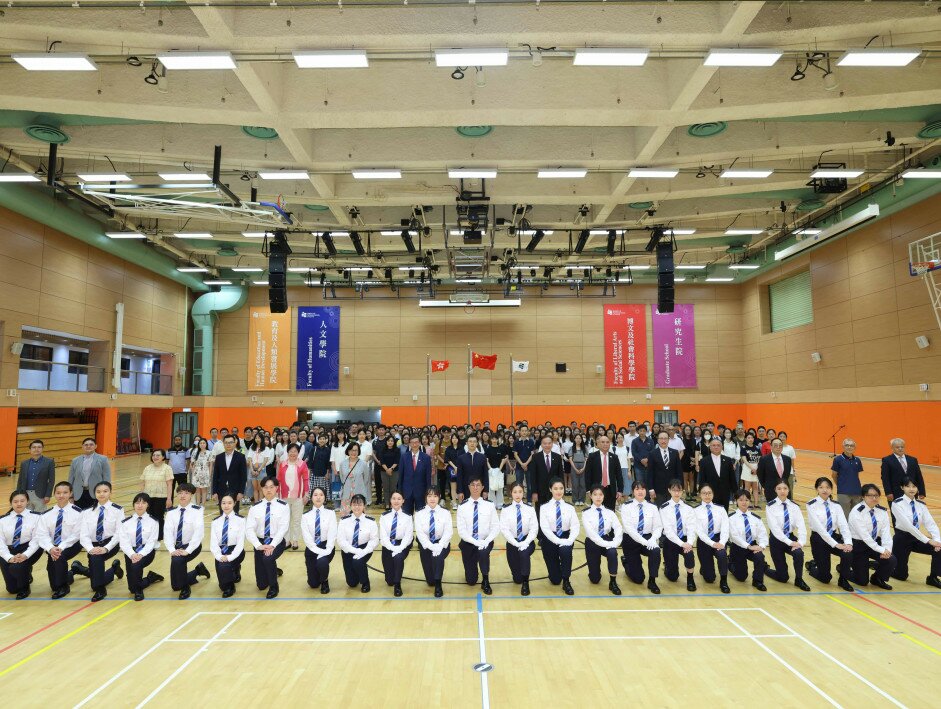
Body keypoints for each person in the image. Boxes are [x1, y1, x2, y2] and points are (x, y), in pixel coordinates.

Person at [72, 481, 124, 602]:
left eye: (105, 491)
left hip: (110, 544)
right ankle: (113, 569)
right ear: (94, 493)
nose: (102, 494)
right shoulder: (86, 512)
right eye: (98, 492)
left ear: (110, 493)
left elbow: (119, 533)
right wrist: (90, 549)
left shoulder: (118, 510)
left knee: (96, 564)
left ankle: (100, 589)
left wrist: (106, 548)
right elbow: (83, 534)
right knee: (95, 572)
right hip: (93, 546)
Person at [804, 477, 855, 592]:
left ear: (831, 490)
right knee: (825, 578)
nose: (824, 490)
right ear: (817, 489)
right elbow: (820, 529)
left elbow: (843, 525)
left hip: (833, 536)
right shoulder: (811, 505)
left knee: (847, 552)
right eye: (821, 487)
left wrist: (848, 543)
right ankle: (812, 566)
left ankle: (843, 580)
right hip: (819, 539)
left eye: (827, 487)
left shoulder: (836, 505)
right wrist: (835, 544)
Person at [35, 481, 84, 599]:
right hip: (52, 547)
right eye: (58, 493)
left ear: (70, 493)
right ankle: (75, 571)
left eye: (65, 492)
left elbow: (76, 535)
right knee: (54, 585)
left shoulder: (78, 512)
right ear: (54, 494)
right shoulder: (47, 514)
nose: (61, 495)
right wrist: (50, 548)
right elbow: (42, 534)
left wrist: (59, 548)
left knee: (59, 559)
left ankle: (64, 587)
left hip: (72, 545)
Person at [890, 477, 941, 588]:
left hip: (917, 538)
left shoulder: (921, 504)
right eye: (908, 486)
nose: (911, 489)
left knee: (939, 549)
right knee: (901, 575)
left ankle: (933, 577)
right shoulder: (897, 504)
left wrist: (937, 541)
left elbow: (931, 524)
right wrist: (928, 540)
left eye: (914, 486)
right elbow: (909, 527)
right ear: (902, 487)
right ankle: (880, 565)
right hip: (902, 539)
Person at [163, 483, 210, 600]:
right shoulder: (171, 512)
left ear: (191, 495)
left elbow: (199, 533)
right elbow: (167, 533)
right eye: (180, 493)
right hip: (176, 548)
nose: (182, 495)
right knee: (175, 586)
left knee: (178, 561)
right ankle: (198, 571)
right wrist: (172, 550)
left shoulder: (197, 511)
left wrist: (187, 550)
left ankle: (185, 588)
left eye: (186, 493)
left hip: (192, 546)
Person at [246, 477, 290, 599]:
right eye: (265, 487)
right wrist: (258, 545)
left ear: (277, 488)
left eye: (271, 487)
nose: (268, 490)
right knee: (261, 585)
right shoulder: (255, 507)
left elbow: (283, 528)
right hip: (260, 542)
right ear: (262, 489)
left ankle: (274, 587)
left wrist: (272, 545)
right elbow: (249, 529)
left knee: (268, 558)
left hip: (277, 541)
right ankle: (273, 569)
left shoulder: (284, 506)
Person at [848, 483, 897, 589]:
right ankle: (846, 570)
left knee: (891, 559)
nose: (874, 498)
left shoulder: (882, 511)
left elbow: (886, 533)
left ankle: (877, 578)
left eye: (876, 495)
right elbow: (865, 536)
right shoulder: (857, 512)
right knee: (862, 581)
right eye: (870, 495)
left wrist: (887, 550)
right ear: (863, 497)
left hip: (874, 542)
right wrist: (881, 550)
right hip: (859, 545)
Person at [764, 480, 811, 591]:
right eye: (779, 488)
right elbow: (775, 530)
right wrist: (790, 543)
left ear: (789, 490)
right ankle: (764, 568)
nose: (782, 491)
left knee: (798, 553)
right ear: (775, 490)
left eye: (785, 488)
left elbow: (801, 526)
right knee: (783, 577)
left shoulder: (794, 506)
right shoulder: (770, 506)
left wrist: (800, 542)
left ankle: (799, 579)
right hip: (777, 540)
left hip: (790, 537)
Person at [457, 477, 499, 595]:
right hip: (468, 543)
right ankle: (473, 567)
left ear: (482, 487)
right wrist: (476, 542)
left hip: (485, 541)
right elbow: (461, 531)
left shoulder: (489, 505)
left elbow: (495, 526)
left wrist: (486, 541)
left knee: (483, 553)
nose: (475, 488)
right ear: (469, 487)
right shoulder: (462, 506)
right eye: (473, 485)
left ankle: (485, 580)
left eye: (478, 485)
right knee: (471, 581)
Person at [118, 493, 164, 601]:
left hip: (146, 551)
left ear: (148, 505)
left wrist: (140, 554)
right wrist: (132, 554)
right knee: (131, 588)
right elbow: (124, 542)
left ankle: (139, 590)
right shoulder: (125, 522)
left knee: (136, 566)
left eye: (143, 503)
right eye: (137, 502)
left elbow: (151, 542)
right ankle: (151, 578)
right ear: (133, 505)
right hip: (130, 551)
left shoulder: (154, 522)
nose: (140, 505)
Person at [619, 481, 662, 594]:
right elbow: (629, 529)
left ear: (646, 491)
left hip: (647, 537)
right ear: (633, 491)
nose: (640, 491)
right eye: (637, 489)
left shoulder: (652, 507)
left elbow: (658, 526)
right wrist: (645, 542)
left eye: (643, 489)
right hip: (630, 540)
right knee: (638, 579)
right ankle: (626, 562)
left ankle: (652, 581)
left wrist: (653, 539)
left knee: (656, 551)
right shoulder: (626, 506)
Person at [539, 477, 579, 595]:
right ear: (550, 489)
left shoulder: (570, 507)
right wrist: (557, 540)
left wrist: (569, 540)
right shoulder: (544, 507)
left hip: (565, 537)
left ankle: (566, 581)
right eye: (555, 488)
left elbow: (575, 526)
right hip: (550, 540)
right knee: (555, 580)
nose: (559, 491)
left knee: (566, 551)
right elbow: (545, 529)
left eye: (561, 488)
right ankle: (557, 571)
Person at [0, 490, 44, 599]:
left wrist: (25, 555)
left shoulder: (36, 517)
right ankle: (26, 573)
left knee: (17, 567)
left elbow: (36, 540)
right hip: (8, 550)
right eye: (15, 501)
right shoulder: (2, 520)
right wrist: (9, 557)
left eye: (22, 501)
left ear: (27, 502)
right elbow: (0, 542)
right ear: (11, 503)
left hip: (29, 548)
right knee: (12, 590)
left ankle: (25, 588)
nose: (19, 504)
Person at [582, 485, 623, 595]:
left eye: (600, 494)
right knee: (595, 579)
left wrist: (615, 543)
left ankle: (613, 582)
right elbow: (592, 534)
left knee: (612, 552)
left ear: (604, 496)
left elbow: (618, 528)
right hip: (592, 541)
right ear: (590, 496)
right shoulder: (586, 513)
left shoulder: (610, 512)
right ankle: (593, 572)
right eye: (595, 494)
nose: (598, 497)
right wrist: (608, 544)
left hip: (606, 537)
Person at [500, 482, 538, 596]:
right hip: (512, 542)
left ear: (523, 493)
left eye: (520, 492)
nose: (518, 494)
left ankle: (526, 583)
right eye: (515, 492)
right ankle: (521, 579)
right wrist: (516, 543)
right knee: (517, 579)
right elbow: (504, 530)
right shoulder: (505, 510)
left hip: (527, 541)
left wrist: (525, 543)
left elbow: (534, 528)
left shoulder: (530, 508)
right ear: (511, 493)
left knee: (524, 553)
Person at [659, 479, 697, 592]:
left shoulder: (689, 508)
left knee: (689, 554)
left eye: (679, 490)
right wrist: (682, 544)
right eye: (674, 490)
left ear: (682, 491)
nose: (677, 493)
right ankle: (668, 566)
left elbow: (691, 528)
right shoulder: (664, 508)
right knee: (672, 577)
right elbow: (668, 531)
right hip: (670, 541)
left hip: (685, 539)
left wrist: (689, 543)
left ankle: (690, 579)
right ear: (669, 491)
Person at [728, 489, 768, 592]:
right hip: (738, 547)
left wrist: (761, 546)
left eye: (746, 500)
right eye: (741, 500)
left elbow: (763, 534)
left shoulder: (755, 518)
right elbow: (735, 536)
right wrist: (749, 547)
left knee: (759, 556)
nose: (744, 502)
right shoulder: (731, 518)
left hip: (752, 545)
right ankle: (730, 563)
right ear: (736, 501)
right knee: (741, 577)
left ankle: (757, 581)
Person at [693, 483, 730, 593]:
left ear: (713, 494)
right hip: (704, 542)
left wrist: (722, 543)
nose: (707, 495)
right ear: (700, 495)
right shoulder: (695, 510)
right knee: (709, 579)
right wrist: (712, 543)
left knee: (722, 554)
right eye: (704, 493)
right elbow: (699, 531)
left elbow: (725, 528)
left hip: (719, 539)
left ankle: (724, 581)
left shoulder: (720, 509)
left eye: (709, 493)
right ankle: (704, 568)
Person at [336, 494, 378, 593]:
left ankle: (365, 582)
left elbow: (374, 540)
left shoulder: (370, 521)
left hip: (364, 548)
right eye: (354, 504)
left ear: (364, 506)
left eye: (360, 504)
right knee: (352, 583)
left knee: (358, 562)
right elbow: (341, 541)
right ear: (350, 506)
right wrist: (355, 551)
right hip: (348, 549)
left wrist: (364, 551)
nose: (357, 507)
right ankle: (357, 573)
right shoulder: (344, 521)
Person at [415, 488, 452, 597]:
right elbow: (420, 534)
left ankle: (438, 584)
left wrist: (439, 546)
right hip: (426, 545)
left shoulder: (445, 512)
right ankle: (434, 580)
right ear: (425, 497)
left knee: (438, 558)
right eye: (429, 496)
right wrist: (431, 546)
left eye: (435, 496)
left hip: (442, 544)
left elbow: (448, 532)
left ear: (439, 497)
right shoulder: (419, 513)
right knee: (429, 581)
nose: (432, 499)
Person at [302, 486, 337, 594]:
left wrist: (328, 550)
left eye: (321, 495)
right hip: (311, 549)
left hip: (326, 546)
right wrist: (318, 551)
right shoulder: (305, 516)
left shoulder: (331, 513)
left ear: (325, 498)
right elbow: (307, 538)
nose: (318, 497)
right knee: (313, 584)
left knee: (322, 562)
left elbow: (332, 533)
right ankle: (317, 573)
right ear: (311, 498)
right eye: (315, 495)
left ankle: (325, 581)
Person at [210, 494, 246, 598]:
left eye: (229, 503)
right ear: (220, 504)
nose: (226, 505)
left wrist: (229, 557)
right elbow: (213, 543)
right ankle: (233, 571)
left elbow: (240, 544)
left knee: (224, 570)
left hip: (235, 551)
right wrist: (219, 556)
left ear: (234, 503)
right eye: (223, 503)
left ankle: (231, 587)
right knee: (222, 585)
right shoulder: (215, 522)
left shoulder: (241, 520)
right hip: (221, 551)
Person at [379, 490, 413, 596]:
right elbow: (383, 537)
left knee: (398, 558)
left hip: (403, 544)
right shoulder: (384, 516)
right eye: (394, 498)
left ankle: (398, 585)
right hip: (388, 545)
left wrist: (399, 548)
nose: (396, 501)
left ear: (403, 501)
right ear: (390, 500)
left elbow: (408, 537)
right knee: (389, 581)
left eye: (399, 499)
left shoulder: (408, 516)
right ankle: (394, 580)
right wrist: (393, 548)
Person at [277, 443, 310, 551]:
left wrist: (306, 494)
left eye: (295, 451)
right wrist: (277, 493)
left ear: (298, 452)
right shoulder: (282, 464)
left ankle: (295, 540)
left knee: (296, 519)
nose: (292, 453)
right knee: (285, 520)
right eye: (290, 451)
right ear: (287, 452)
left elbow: (306, 480)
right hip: (284, 496)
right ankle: (286, 540)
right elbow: (278, 479)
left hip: (298, 496)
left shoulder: (302, 464)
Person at [139, 449, 174, 540]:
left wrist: (169, 499)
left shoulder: (167, 468)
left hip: (161, 497)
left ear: (163, 457)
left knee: (158, 517)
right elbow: (143, 483)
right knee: (148, 516)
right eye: (154, 455)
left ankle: (159, 536)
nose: (155, 457)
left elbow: (170, 484)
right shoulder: (147, 468)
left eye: (158, 455)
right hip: (148, 497)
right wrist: (141, 496)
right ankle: (149, 535)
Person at [67, 438, 111, 510]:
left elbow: (107, 478)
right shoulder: (75, 460)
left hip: (96, 493)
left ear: (95, 446)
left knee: (94, 515)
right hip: (78, 494)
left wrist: (106, 493)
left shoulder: (103, 459)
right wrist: (70, 495)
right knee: (79, 515)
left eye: (91, 444)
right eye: (86, 445)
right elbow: (71, 479)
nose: (88, 446)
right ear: (82, 447)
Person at [585, 435, 624, 511]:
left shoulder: (614, 457)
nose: (605, 444)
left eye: (607, 442)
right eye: (602, 442)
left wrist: (620, 490)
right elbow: (587, 474)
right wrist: (588, 490)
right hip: (596, 490)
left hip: (611, 490)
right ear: (598, 444)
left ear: (610, 444)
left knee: (610, 513)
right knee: (596, 513)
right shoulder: (592, 456)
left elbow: (619, 475)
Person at [880, 438, 926, 504]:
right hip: (895, 493)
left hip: (912, 492)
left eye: (902, 447)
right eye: (897, 447)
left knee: (912, 512)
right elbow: (885, 478)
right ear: (892, 448)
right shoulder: (887, 460)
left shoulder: (913, 460)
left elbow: (919, 476)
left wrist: (922, 491)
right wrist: (888, 492)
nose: (900, 449)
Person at [698, 437, 736, 512]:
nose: (716, 447)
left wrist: (735, 492)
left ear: (722, 447)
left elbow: (732, 477)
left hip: (725, 492)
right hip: (709, 493)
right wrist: (701, 491)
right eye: (714, 445)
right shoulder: (704, 461)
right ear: (710, 447)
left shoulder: (728, 460)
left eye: (718, 445)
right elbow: (702, 478)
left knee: (724, 513)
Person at [17, 439, 55, 512]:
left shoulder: (49, 462)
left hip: (40, 495)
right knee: (27, 516)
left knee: (40, 517)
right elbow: (20, 480)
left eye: (39, 447)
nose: (36, 449)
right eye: (34, 447)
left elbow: (51, 480)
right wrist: (18, 493)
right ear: (30, 449)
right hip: (26, 494)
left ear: (42, 449)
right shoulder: (24, 463)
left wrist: (48, 495)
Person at [831, 438, 864, 520]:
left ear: (854, 447)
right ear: (843, 447)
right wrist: (841, 485)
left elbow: (856, 475)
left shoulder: (857, 460)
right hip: (843, 492)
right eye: (847, 445)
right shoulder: (838, 459)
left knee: (856, 516)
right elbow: (834, 475)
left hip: (857, 492)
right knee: (844, 516)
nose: (849, 447)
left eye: (851, 445)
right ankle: (844, 533)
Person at [531, 436, 564, 514]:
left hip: (554, 491)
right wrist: (534, 492)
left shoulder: (557, 457)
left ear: (552, 444)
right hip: (540, 491)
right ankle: (540, 526)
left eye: (549, 443)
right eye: (545, 443)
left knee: (553, 512)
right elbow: (533, 476)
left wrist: (562, 490)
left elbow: (561, 475)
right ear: (541, 445)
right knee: (540, 512)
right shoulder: (535, 457)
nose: (547, 445)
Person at [400, 437, 432, 516]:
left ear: (420, 443)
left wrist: (427, 492)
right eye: (412, 442)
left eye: (416, 442)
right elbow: (401, 475)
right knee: (406, 515)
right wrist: (400, 491)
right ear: (410, 444)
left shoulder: (426, 458)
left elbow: (428, 477)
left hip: (421, 492)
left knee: (421, 515)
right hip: (407, 492)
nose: (414, 444)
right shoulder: (404, 457)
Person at [647, 432, 681, 504]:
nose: (663, 441)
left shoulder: (675, 452)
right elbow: (650, 473)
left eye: (665, 438)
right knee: (660, 509)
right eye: (661, 438)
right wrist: (651, 489)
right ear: (658, 440)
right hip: (658, 489)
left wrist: (680, 486)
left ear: (668, 440)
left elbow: (679, 471)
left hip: (673, 488)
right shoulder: (652, 454)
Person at [337, 443, 368, 517]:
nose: (353, 452)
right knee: (345, 517)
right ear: (348, 451)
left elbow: (365, 479)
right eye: (351, 450)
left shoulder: (363, 464)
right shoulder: (342, 464)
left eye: (355, 450)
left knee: (359, 517)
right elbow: (342, 478)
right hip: (346, 495)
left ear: (359, 451)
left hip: (359, 494)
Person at [757, 438, 793, 503]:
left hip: (785, 492)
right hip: (770, 492)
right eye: (775, 445)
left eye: (780, 445)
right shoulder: (764, 459)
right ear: (771, 446)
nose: (778, 447)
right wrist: (767, 487)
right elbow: (760, 475)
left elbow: (786, 476)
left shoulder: (787, 459)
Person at [456, 436, 489, 502]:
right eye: (470, 441)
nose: (472, 443)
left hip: (479, 488)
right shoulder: (461, 458)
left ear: (477, 444)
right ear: (467, 443)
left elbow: (485, 475)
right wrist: (459, 491)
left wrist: (486, 490)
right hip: (465, 488)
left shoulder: (482, 457)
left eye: (474, 442)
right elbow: (459, 476)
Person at [249, 434, 275, 504]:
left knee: (261, 488)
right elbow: (250, 459)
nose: (257, 439)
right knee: (255, 488)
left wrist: (259, 470)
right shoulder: (252, 447)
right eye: (256, 438)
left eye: (259, 438)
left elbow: (265, 460)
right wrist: (252, 470)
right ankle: (256, 503)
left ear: (262, 439)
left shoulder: (266, 448)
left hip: (262, 469)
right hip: (253, 469)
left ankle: (261, 503)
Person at [738, 432, 762, 509]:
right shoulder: (744, 447)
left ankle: (756, 504)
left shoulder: (757, 448)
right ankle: (748, 504)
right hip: (747, 467)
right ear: (746, 439)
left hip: (756, 467)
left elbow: (760, 458)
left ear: (753, 439)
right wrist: (752, 468)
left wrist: (757, 468)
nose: (750, 439)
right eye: (748, 438)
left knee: (755, 487)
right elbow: (744, 460)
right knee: (747, 487)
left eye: (751, 438)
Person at [630, 425, 654, 491]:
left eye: (644, 431)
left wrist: (647, 459)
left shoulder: (650, 441)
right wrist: (641, 460)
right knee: (640, 482)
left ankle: (648, 498)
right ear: (638, 431)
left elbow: (652, 451)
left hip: (648, 465)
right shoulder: (634, 441)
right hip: (638, 466)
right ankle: (640, 497)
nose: (642, 432)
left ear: (646, 431)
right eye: (640, 431)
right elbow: (634, 452)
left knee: (648, 482)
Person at [308, 434, 333, 498]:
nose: (322, 440)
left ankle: (324, 499)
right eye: (320, 439)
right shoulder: (314, 448)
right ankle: (314, 499)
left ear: (326, 440)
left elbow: (328, 462)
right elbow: (310, 460)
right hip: (314, 471)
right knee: (314, 487)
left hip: (324, 472)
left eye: (323, 439)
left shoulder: (328, 450)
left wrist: (327, 473)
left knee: (323, 487)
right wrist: (309, 471)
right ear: (318, 440)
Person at [567, 434, 589, 507]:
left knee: (582, 484)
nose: (578, 439)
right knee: (575, 484)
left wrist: (583, 468)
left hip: (583, 465)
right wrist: (575, 468)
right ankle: (575, 500)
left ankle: (581, 500)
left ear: (582, 440)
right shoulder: (571, 448)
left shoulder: (585, 448)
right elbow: (570, 459)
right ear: (574, 439)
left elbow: (586, 459)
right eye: (577, 438)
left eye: (580, 438)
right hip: (574, 465)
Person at [189, 438, 212, 506]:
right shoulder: (195, 452)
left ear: (206, 444)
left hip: (205, 473)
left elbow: (211, 465)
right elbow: (191, 463)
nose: (202, 444)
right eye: (200, 443)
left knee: (204, 490)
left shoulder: (209, 453)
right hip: (196, 473)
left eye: (203, 443)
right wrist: (193, 472)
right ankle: (198, 504)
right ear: (198, 444)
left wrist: (209, 474)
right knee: (197, 490)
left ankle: (203, 505)